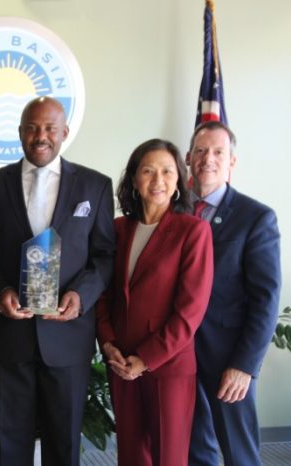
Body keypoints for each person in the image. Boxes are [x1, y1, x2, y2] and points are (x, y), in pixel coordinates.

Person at [0, 96, 115, 466]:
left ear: (64, 132)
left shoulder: (95, 186)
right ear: (19, 133)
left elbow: (103, 256)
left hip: (67, 338)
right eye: (32, 127)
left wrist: (80, 297)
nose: (41, 136)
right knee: (11, 438)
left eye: (50, 128)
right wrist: (0, 292)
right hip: (10, 337)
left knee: (63, 442)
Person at [96, 139, 214, 466]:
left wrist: (145, 360)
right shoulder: (118, 229)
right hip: (120, 361)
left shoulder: (193, 231)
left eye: (167, 171)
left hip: (168, 364)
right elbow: (103, 295)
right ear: (134, 179)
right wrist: (108, 344)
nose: (157, 180)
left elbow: (190, 312)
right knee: (131, 456)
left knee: (168, 457)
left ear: (179, 180)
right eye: (148, 171)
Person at [188, 121, 281, 466]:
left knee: (238, 453)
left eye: (217, 152)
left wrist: (244, 365)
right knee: (195, 450)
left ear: (231, 161)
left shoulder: (255, 217)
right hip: (180, 356)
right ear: (188, 157)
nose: (207, 159)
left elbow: (266, 299)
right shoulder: (173, 211)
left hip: (229, 360)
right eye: (200, 150)